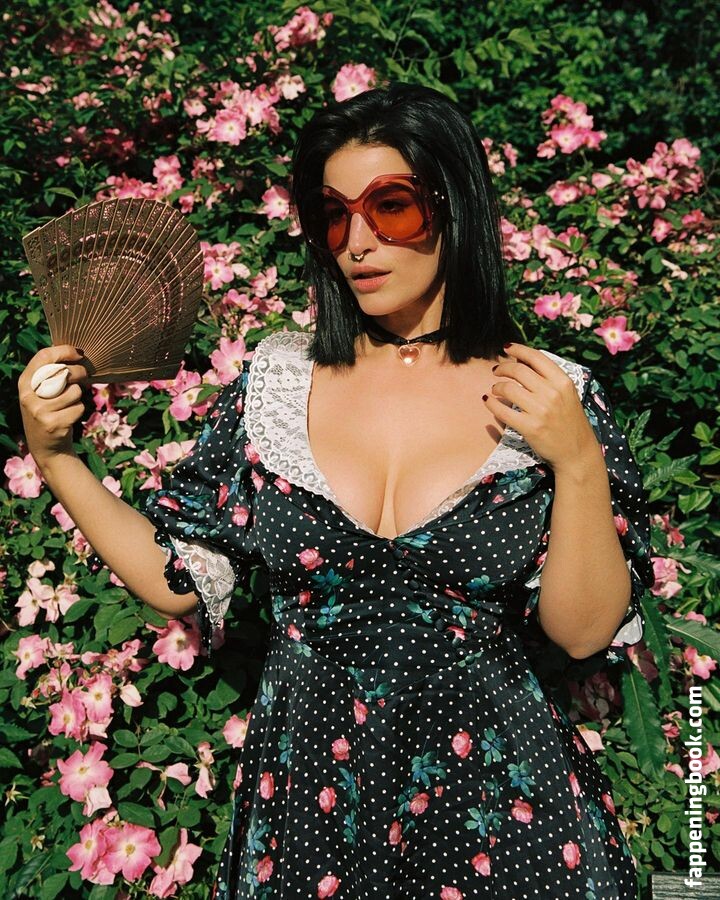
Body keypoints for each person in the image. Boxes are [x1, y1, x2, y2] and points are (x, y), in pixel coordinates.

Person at [17, 82, 654, 899]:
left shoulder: (550, 397)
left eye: (391, 207)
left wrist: (578, 461)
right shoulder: (277, 386)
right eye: (334, 214)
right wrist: (57, 456)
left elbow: (583, 631)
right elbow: (182, 580)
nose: (358, 241)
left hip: (506, 821)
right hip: (311, 815)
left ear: (454, 206)